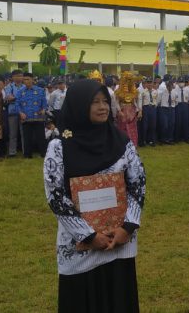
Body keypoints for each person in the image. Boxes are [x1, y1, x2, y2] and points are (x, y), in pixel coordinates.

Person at [44, 79, 146, 313]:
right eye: (94, 102)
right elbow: (56, 196)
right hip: (81, 245)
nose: (102, 107)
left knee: (118, 297)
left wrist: (127, 228)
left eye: (105, 102)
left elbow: (137, 184)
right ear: (79, 106)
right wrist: (89, 236)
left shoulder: (121, 142)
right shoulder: (59, 147)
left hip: (118, 241)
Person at [16, 73, 47, 158]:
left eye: (28, 79)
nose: (26, 81)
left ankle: (43, 154)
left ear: (32, 80)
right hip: (26, 117)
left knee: (41, 137)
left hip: (38, 117)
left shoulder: (40, 90)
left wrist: (44, 109)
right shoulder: (20, 91)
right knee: (27, 137)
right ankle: (27, 155)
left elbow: (44, 103)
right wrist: (20, 113)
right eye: (25, 79)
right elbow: (17, 104)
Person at [114, 72, 141, 146]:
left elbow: (136, 102)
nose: (129, 82)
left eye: (130, 80)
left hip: (132, 112)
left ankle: (132, 144)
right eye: (127, 80)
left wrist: (139, 111)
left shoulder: (135, 92)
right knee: (123, 128)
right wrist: (119, 111)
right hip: (123, 112)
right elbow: (116, 102)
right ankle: (122, 144)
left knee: (132, 129)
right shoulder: (118, 91)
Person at [4, 69, 24, 156]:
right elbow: (9, 98)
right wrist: (19, 98)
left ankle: (25, 150)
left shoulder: (25, 86)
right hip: (12, 112)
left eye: (20, 76)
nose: (18, 78)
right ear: (12, 77)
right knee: (12, 134)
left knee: (24, 133)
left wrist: (14, 98)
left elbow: (13, 98)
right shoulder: (8, 87)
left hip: (24, 112)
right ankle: (12, 152)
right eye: (16, 76)